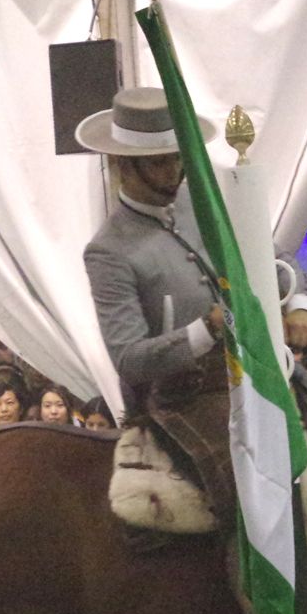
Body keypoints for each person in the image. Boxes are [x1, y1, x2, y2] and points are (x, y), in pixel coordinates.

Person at [77, 86, 235, 523]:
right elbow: (129, 358)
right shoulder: (108, 250)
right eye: (159, 162)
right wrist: (207, 328)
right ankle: (250, 581)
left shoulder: (202, 201)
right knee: (249, 479)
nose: (174, 172)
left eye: (177, 158)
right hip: (181, 397)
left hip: (255, 373)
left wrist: (297, 302)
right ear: (122, 166)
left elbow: (268, 251)